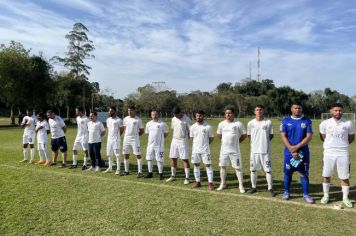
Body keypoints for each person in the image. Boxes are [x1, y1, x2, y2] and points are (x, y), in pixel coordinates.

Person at [319, 103, 355, 208]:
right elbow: (323, 137)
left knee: (344, 176)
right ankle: (326, 195)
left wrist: (342, 145)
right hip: (328, 153)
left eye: (340, 110)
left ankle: (345, 197)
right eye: (335, 110)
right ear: (331, 111)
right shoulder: (324, 123)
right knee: (326, 175)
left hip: (343, 153)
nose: (338, 112)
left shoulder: (348, 123)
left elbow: (351, 138)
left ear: (342, 111)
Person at [280, 102, 314, 203]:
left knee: (304, 173)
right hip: (289, 152)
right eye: (295, 108)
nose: (297, 110)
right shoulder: (285, 121)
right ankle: (286, 192)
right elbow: (283, 135)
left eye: (299, 108)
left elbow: (309, 136)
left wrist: (296, 147)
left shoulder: (307, 121)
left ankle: (306, 194)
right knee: (288, 172)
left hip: (303, 152)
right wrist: (291, 148)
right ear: (291, 109)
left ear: (301, 109)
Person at [247, 105, 276, 197]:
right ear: (254, 112)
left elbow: (271, 135)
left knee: (268, 170)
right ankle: (253, 187)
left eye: (260, 110)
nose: (259, 111)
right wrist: (255, 143)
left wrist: (264, 142)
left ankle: (270, 188)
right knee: (253, 170)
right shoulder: (250, 123)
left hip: (265, 151)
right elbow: (249, 135)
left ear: (263, 111)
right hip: (254, 151)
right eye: (257, 110)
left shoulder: (268, 122)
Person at [216, 106, 247, 193]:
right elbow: (219, 134)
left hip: (235, 151)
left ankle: (241, 185)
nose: (228, 115)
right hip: (224, 151)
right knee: (223, 167)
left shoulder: (238, 124)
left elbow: (244, 134)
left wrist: (237, 141)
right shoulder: (221, 124)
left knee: (238, 168)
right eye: (226, 113)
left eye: (229, 113)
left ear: (233, 114)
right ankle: (222, 184)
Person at [166, 106, 192, 185]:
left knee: (185, 159)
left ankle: (187, 178)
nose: (176, 116)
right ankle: (173, 176)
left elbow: (191, 131)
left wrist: (187, 138)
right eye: (174, 115)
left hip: (183, 141)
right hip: (174, 140)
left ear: (181, 112)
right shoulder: (173, 119)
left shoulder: (187, 119)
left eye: (177, 114)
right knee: (173, 158)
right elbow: (173, 129)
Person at [189, 110, 214, 190]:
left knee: (208, 165)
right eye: (197, 116)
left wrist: (205, 145)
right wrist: (197, 145)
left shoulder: (208, 127)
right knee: (196, 165)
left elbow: (211, 138)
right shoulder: (192, 127)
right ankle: (198, 182)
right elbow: (192, 138)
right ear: (195, 116)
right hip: (195, 150)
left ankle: (210, 183)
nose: (198, 117)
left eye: (200, 116)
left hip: (205, 150)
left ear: (203, 116)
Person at [144, 110, 168, 180]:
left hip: (159, 146)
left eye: (155, 114)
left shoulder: (162, 124)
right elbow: (147, 133)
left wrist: (161, 140)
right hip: (150, 145)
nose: (154, 116)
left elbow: (166, 133)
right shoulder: (148, 124)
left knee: (159, 160)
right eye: (153, 115)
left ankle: (161, 174)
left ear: (158, 115)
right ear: (151, 115)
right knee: (149, 159)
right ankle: (150, 173)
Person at [122, 106, 144, 177]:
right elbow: (125, 128)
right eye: (128, 110)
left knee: (138, 154)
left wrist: (136, 136)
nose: (129, 112)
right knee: (125, 154)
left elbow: (142, 131)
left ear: (134, 111)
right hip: (126, 139)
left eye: (131, 110)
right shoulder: (125, 119)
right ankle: (126, 171)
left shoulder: (138, 120)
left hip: (135, 139)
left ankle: (140, 172)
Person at [104, 107, 124, 175]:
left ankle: (118, 169)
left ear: (115, 112)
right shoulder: (108, 120)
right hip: (109, 139)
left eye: (111, 111)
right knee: (109, 154)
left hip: (116, 140)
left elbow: (121, 129)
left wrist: (117, 136)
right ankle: (110, 168)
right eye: (109, 111)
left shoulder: (119, 120)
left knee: (117, 155)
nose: (109, 112)